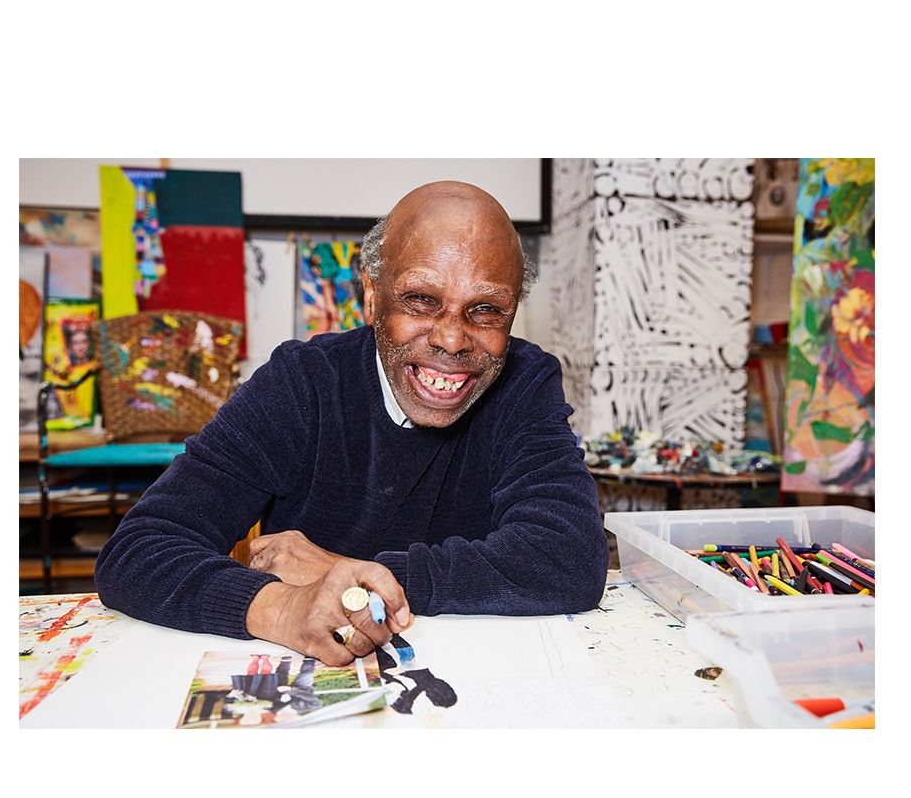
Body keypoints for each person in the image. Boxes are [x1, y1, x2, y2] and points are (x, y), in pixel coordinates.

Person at [96, 180, 606, 666]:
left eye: (486, 310)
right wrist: (282, 608)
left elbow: (569, 560)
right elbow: (137, 552)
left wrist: (340, 572)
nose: (452, 340)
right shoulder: (300, 383)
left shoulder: (524, 382)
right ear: (371, 294)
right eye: (421, 300)